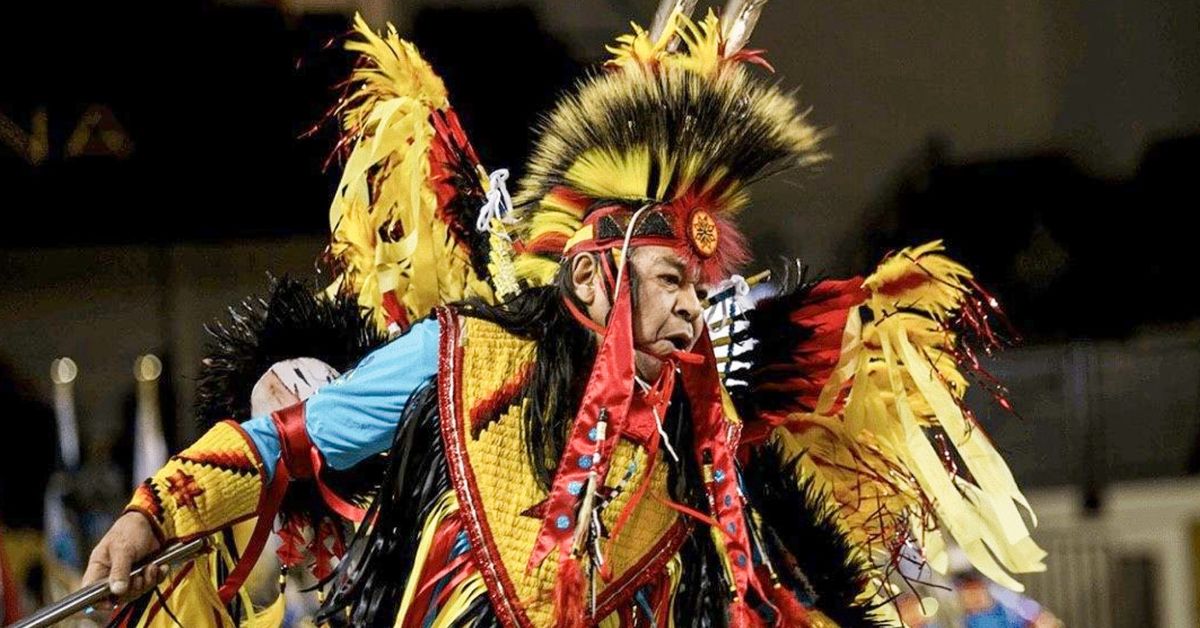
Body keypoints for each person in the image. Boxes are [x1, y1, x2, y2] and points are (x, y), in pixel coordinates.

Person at [79, 3, 1046, 626]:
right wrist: (147, 515)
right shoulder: (461, 356)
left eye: (697, 282)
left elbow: (786, 598)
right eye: (668, 276)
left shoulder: (708, 446)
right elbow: (289, 441)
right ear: (590, 280)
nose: (693, 301)